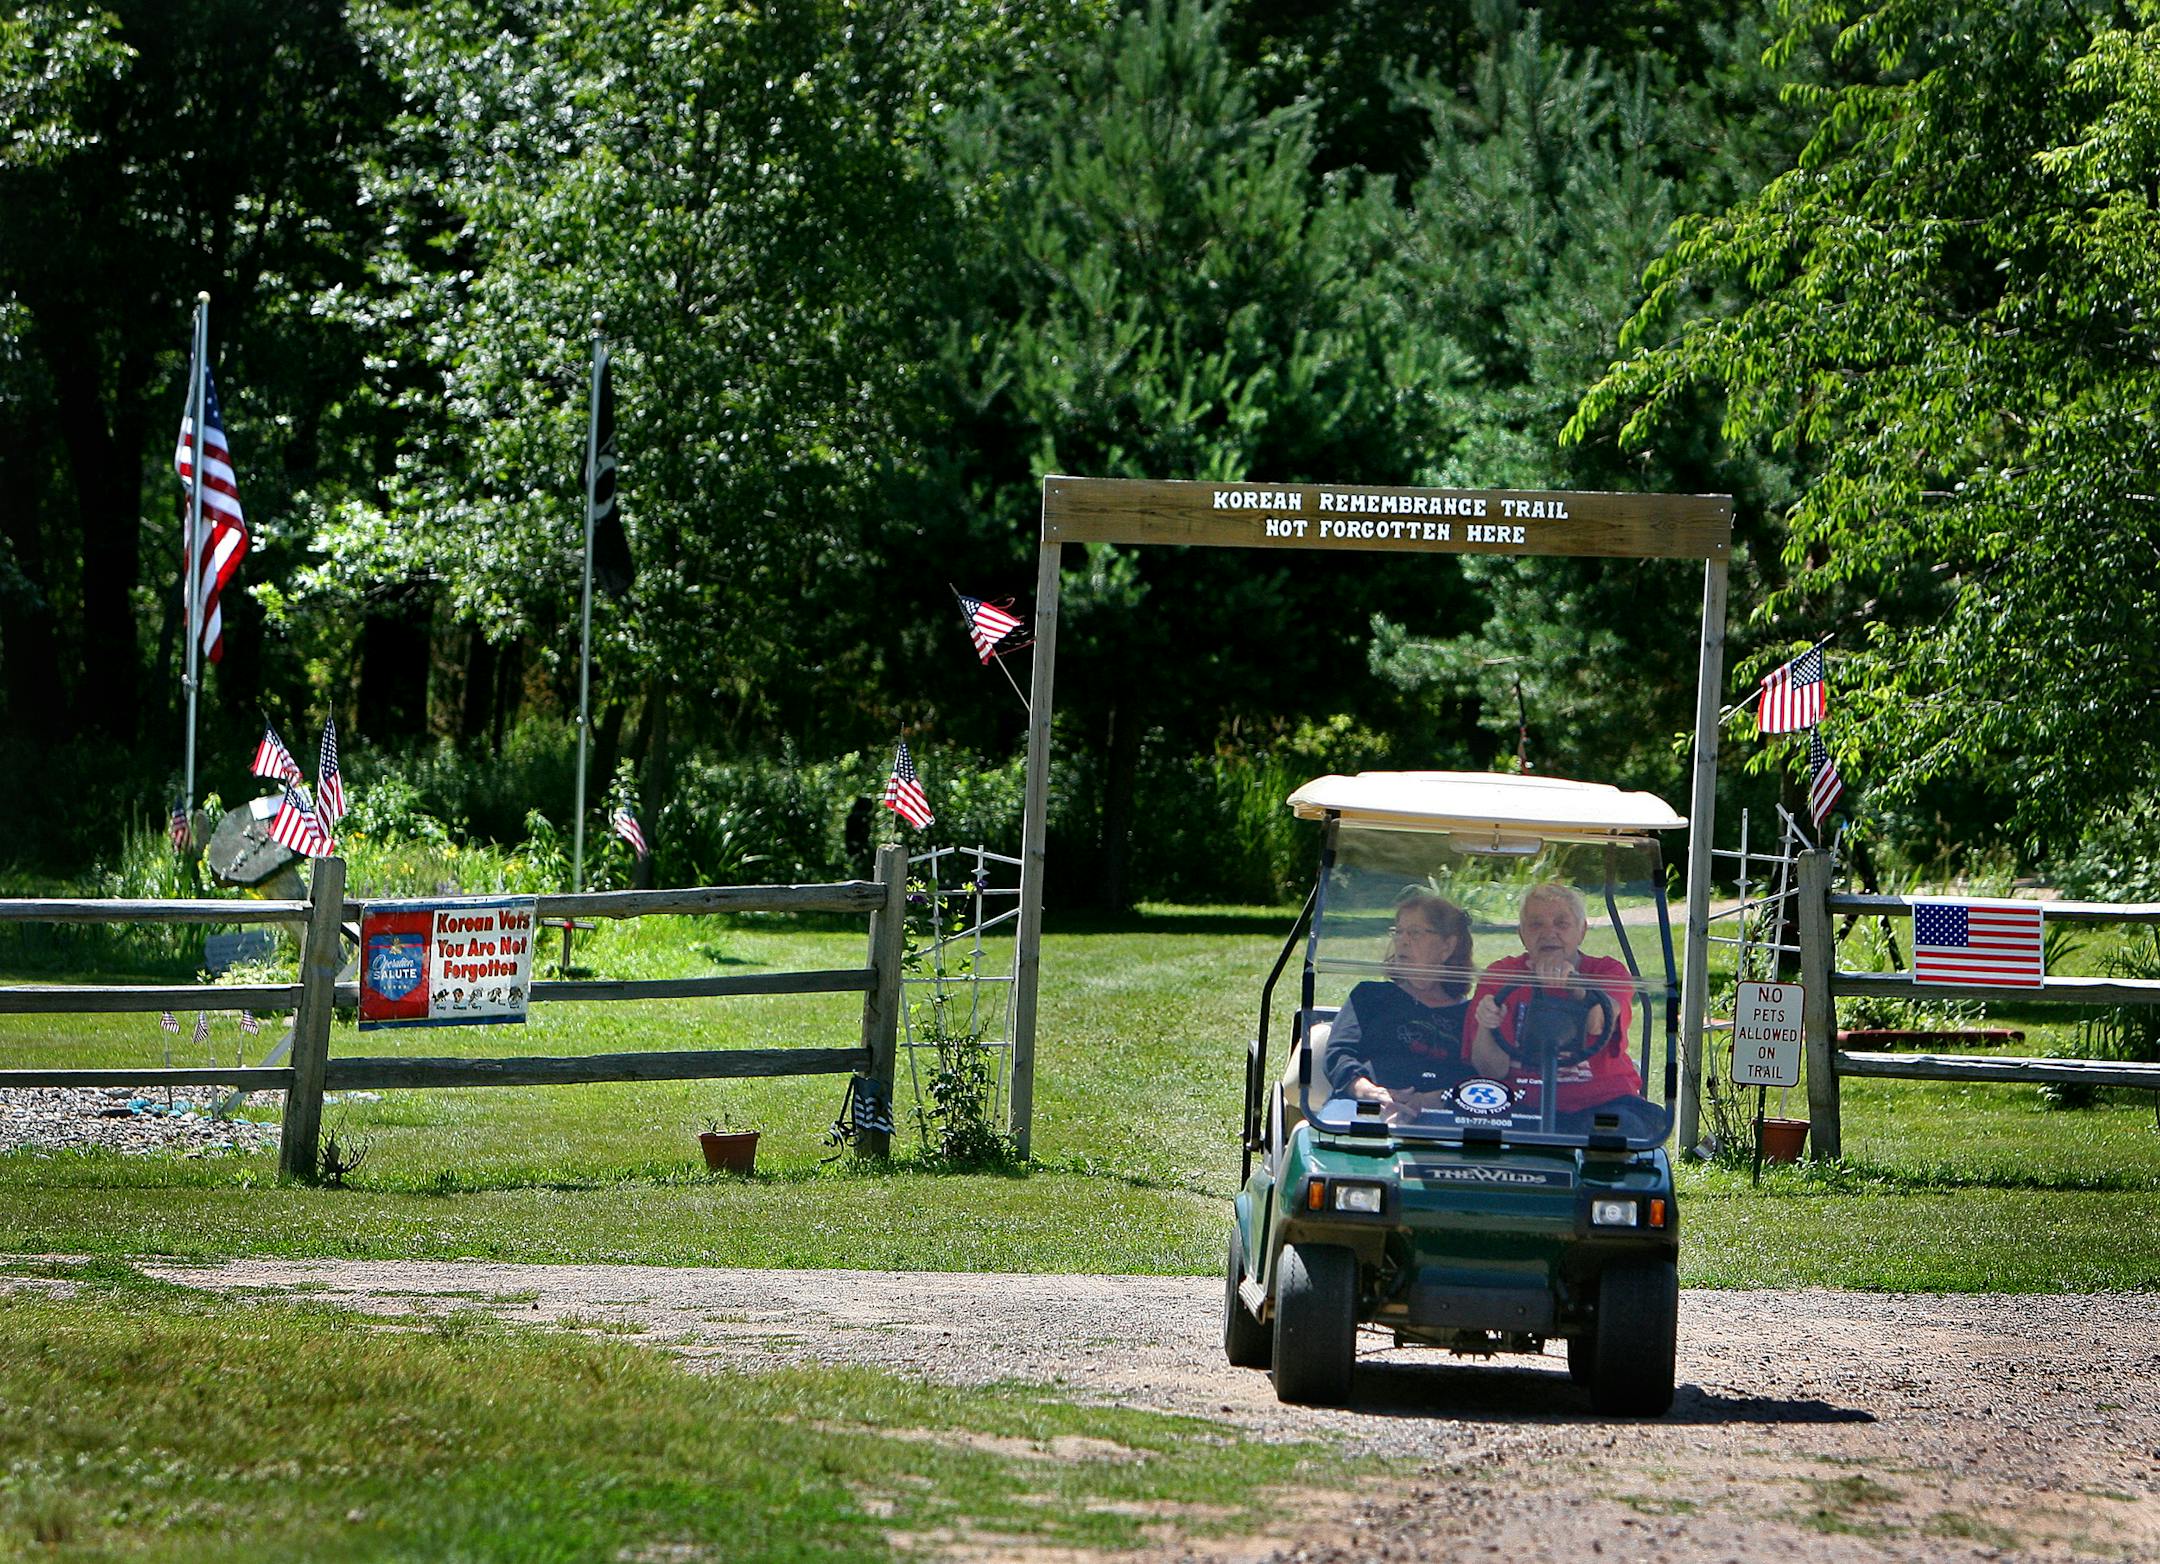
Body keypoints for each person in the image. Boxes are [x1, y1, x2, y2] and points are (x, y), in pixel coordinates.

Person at [1466, 882, 1659, 1135]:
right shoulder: (1501, 975)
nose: (1549, 933)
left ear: (1582, 931)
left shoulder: (1608, 972)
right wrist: (1487, 1025)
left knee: (1619, 1132)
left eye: (1561, 923)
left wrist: (1574, 983)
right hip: (1522, 1103)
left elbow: (1599, 1022)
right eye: (1536, 924)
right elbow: (1491, 1071)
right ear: (1522, 934)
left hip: (1602, 1102)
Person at [1324, 888, 1477, 1121]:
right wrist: (1372, 1093)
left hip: (1445, 1115)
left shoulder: (1471, 1014)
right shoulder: (1369, 995)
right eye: (1399, 932)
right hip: (1366, 1107)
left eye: (1415, 933)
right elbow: (1339, 1055)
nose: (1402, 941)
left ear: (1447, 946)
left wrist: (1431, 1101)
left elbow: (1477, 1077)